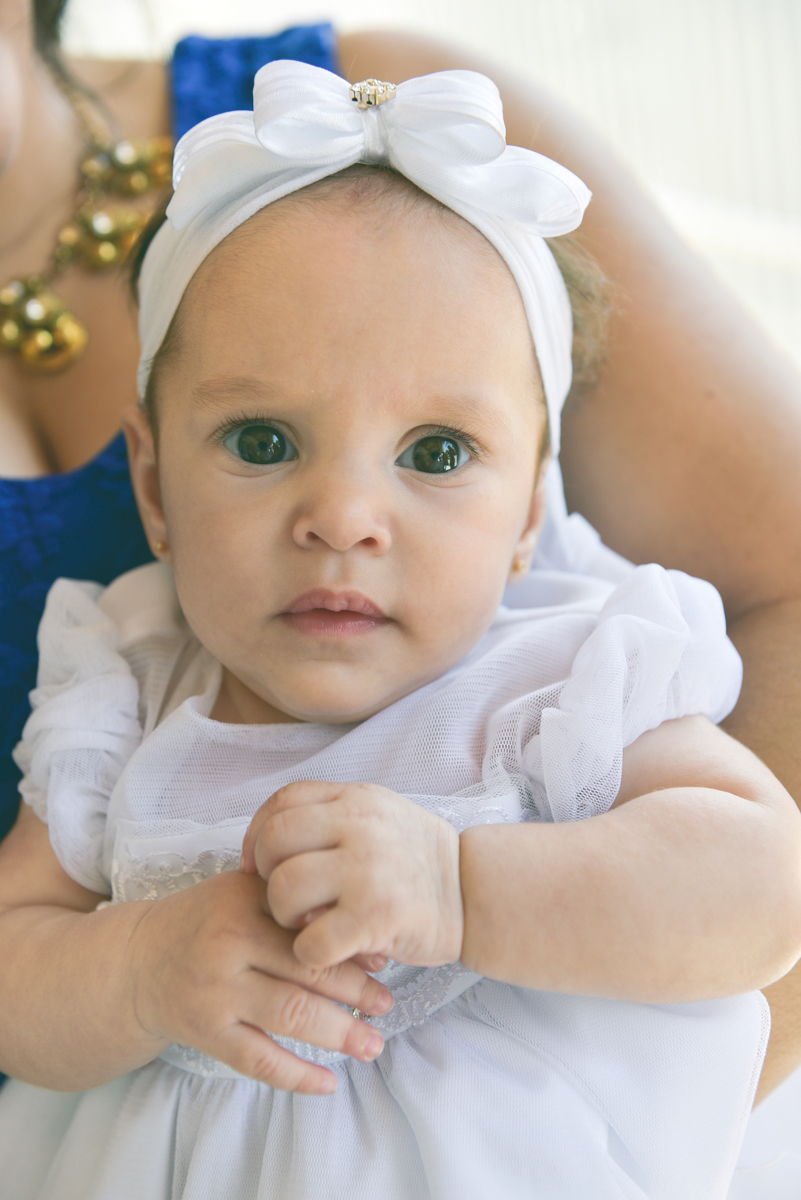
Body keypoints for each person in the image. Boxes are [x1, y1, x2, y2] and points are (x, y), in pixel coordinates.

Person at [0, 62, 799, 1200]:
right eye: (264, 441)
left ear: (529, 513)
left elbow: (764, 885)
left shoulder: (552, 681)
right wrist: (131, 970)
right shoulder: (127, 691)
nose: (341, 519)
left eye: (433, 454)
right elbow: (12, 962)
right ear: (155, 485)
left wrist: (467, 891)